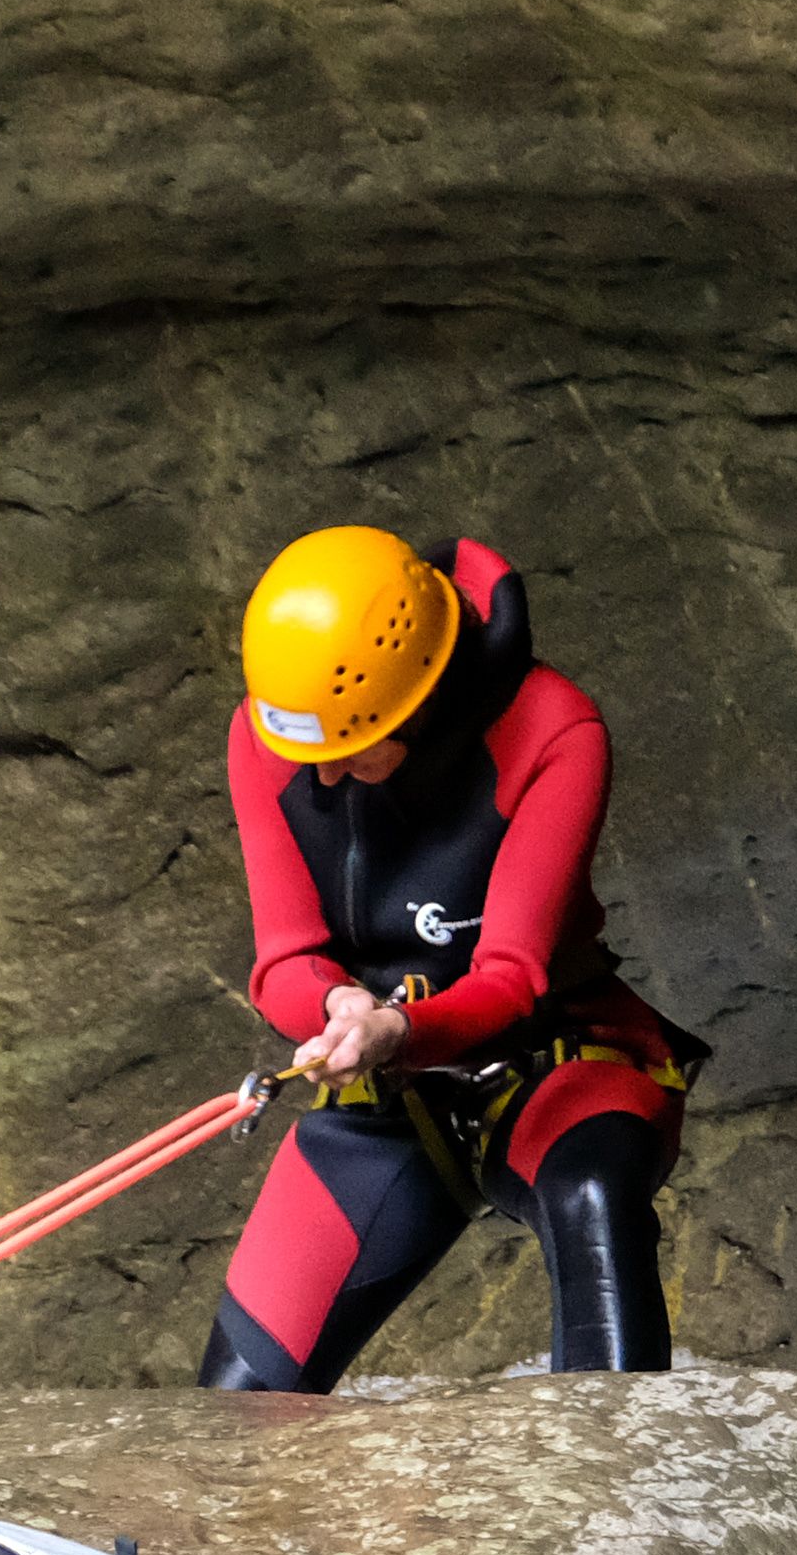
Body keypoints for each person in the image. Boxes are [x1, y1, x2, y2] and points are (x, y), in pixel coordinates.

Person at [199, 523, 699, 1391]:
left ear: (417, 705)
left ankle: (623, 1485)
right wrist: (336, 1010)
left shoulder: (552, 729)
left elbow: (513, 974)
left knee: (593, 1198)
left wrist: (395, 1027)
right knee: (234, 1408)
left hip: (553, 1061)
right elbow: (285, 957)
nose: (318, 780)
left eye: (347, 752)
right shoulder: (272, 739)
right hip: (381, 1084)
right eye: (302, 753)